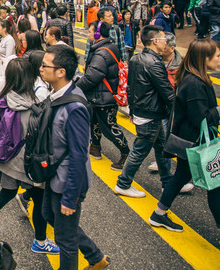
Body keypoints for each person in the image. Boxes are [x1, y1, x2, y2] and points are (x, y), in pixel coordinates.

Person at [0, 59, 60, 255]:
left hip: (7, 159)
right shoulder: (31, 106)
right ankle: (40, 241)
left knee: (7, 192)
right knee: (39, 199)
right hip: (26, 164)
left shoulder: (5, 98)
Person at [39, 46, 109, 270]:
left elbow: (80, 156)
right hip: (55, 174)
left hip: (68, 181)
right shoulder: (57, 93)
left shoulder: (75, 106)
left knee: (65, 240)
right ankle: (95, 257)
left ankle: (90, 260)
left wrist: (71, 197)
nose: (40, 69)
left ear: (61, 72)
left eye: (45, 66)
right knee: (48, 214)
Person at [149, 39, 220, 231]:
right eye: (218, 56)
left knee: (181, 176)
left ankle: (159, 214)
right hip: (197, 143)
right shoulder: (195, 83)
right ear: (204, 58)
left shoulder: (192, 77)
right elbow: (201, 118)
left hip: (190, 142)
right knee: (215, 185)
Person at [115, 26, 175, 198]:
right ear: (155, 41)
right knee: (139, 151)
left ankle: (167, 182)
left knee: (162, 148)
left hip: (144, 112)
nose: (166, 43)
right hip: (151, 114)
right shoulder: (155, 63)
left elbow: (130, 88)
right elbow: (167, 93)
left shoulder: (136, 58)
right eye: (164, 39)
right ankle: (123, 183)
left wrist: (133, 110)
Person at [78, 22, 130, 170]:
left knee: (109, 127)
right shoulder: (110, 47)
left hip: (104, 97)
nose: (88, 34)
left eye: (90, 32)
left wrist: (75, 88)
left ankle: (126, 152)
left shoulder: (101, 52)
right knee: (95, 122)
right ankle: (95, 148)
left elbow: (91, 77)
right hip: (99, 95)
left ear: (97, 34)